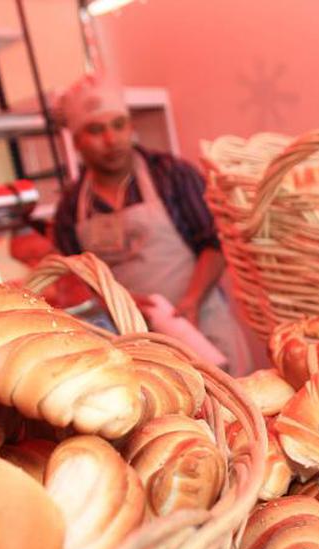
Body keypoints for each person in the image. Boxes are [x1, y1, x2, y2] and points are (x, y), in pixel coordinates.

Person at [52, 74, 254, 375]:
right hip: (136, 345)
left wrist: (191, 301)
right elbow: (76, 281)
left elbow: (215, 243)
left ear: (131, 126)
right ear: (77, 141)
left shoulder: (172, 175)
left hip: (202, 325)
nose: (111, 140)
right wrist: (111, 301)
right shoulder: (71, 207)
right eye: (96, 130)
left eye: (118, 125)